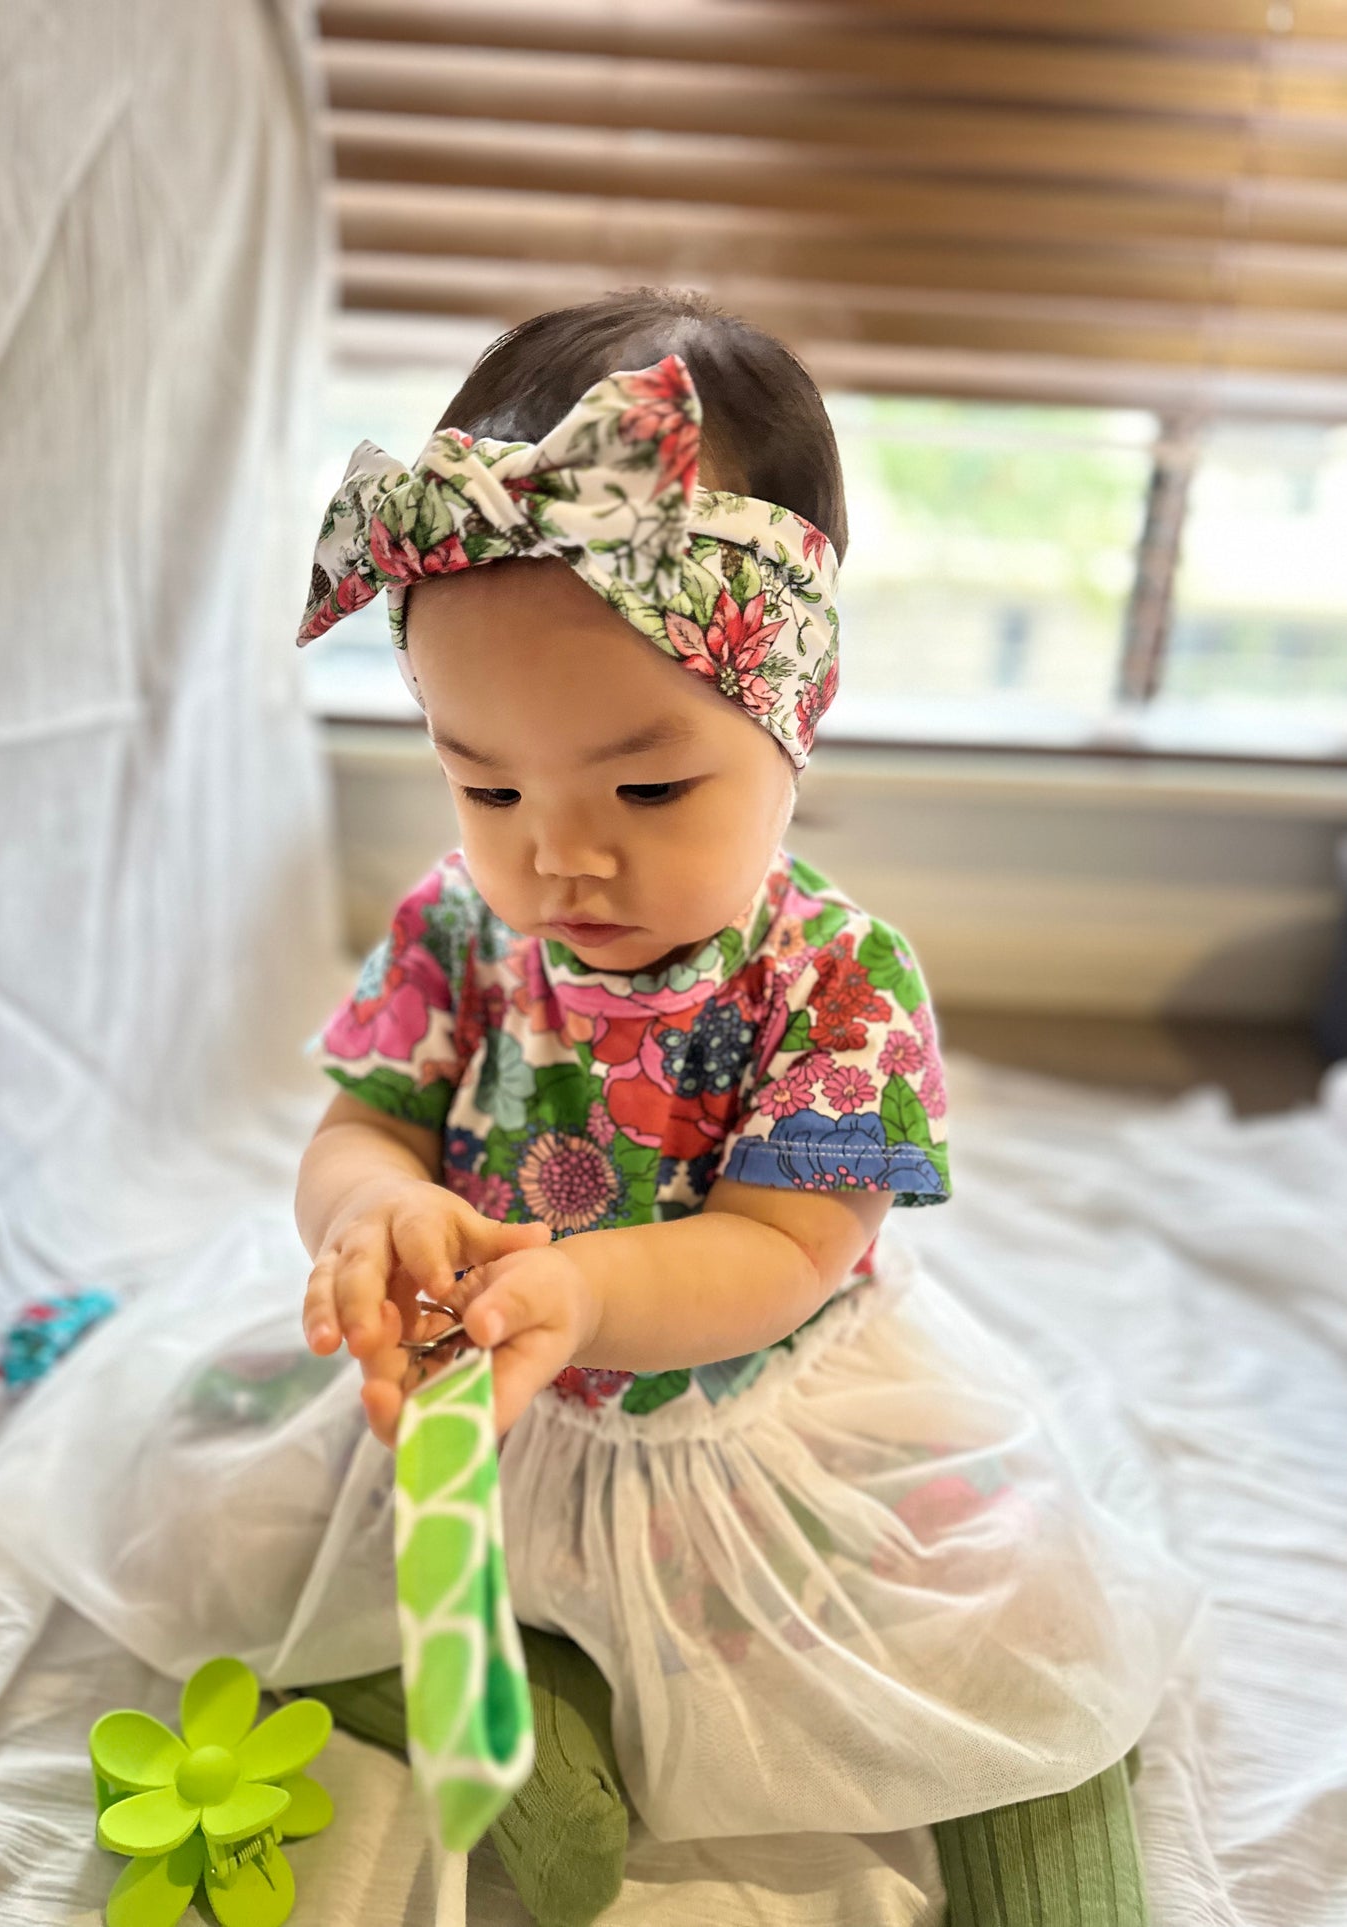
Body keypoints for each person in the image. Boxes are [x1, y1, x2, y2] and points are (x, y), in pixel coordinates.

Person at [290, 288, 1198, 1926]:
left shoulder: (839, 984)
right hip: (487, 1429)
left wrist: (576, 1290)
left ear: (795, 711)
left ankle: (1034, 1822)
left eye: (647, 786)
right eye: (485, 781)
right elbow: (360, 1123)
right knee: (310, 1552)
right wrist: (373, 1211)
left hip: (749, 1424)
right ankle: (538, 1714)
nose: (559, 853)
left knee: (999, 1632)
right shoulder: (454, 925)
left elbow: (782, 1248)